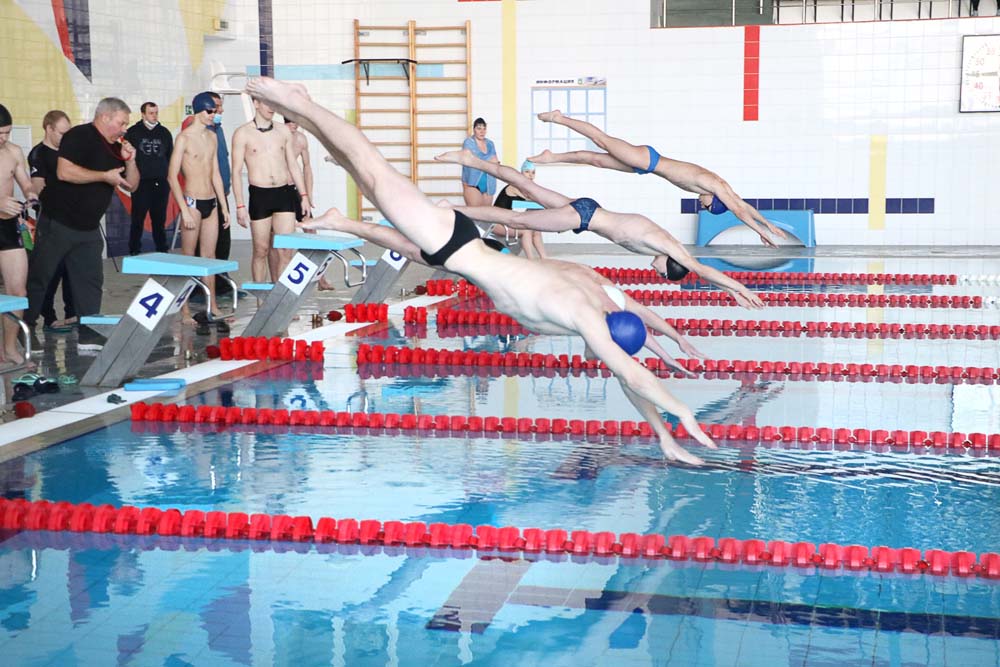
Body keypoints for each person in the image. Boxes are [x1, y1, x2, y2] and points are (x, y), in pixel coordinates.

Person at [246, 77, 716, 464]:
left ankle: (338, 208)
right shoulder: (582, 312)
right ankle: (300, 103)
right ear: (607, 336)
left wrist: (663, 429)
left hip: (463, 245)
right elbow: (634, 376)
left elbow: (633, 353)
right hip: (452, 243)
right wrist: (682, 413)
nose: (601, 359)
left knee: (372, 187)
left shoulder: (600, 292)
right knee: (372, 170)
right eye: (605, 352)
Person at [436, 148, 764, 309]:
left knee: (528, 187)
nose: (657, 274)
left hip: (588, 211)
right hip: (583, 217)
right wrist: (738, 289)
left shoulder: (663, 244)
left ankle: (472, 160)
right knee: (516, 219)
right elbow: (702, 270)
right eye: (664, 274)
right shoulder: (670, 247)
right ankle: (453, 209)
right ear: (672, 262)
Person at [529, 110, 786, 247]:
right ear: (716, 200)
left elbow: (742, 204)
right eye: (707, 206)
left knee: (595, 160)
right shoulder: (714, 185)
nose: (701, 204)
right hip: (647, 160)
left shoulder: (720, 187)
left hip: (645, 167)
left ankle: (552, 157)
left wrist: (765, 224)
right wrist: (762, 231)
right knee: (602, 141)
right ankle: (559, 118)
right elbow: (739, 210)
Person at [25, 97, 140, 352]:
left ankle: (89, 333)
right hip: (58, 221)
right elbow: (64, 172)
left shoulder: (115, 148)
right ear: (105, 117)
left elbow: (131, 185)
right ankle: (26, 328)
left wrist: (130, 160)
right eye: (122, 123)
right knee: (40, 277)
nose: (124, 129)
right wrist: (104, 176)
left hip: (88, 228)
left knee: (90, 282)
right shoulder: (78, 136)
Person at [166, 92, 230, 329]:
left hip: (211, 203)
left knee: (209, 258)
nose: (214, 115)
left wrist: (224, 207)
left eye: (215, 111)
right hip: (192, 203)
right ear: (199, 111)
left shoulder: (212, 137)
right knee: (188, 259)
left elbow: (215, 174)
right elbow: (172, 176)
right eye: (210, 111)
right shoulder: (184, 138)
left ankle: (212, 305)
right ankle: (184, 310)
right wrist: (184, 209)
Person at [230, 97, 310, 282]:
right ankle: (260, 298)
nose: (271, 107)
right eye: (267, 103)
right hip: (260, 195)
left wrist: (304, 195)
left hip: (284, 193)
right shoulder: (243, 133)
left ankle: (281, 297)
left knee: (286, 250)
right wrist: (240, 206)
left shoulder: (283, 131)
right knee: (261, 250)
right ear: (256, 104)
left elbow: (293, 165)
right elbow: (236, 172)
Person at [27, 109, 75, 333]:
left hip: (72, 219)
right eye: (62, 133)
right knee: (49, 271)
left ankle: (72, 313)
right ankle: (48, 316)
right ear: (49, 129)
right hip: (51, 219)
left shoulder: (69, 152)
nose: (65, 138)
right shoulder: (38, 154)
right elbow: (38, 187)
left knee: (71, 269)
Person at [0, 104, 37, 369]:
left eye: (7, 133)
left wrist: (30, 194)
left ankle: (10, 348)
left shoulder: (13, 151)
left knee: (17, 291)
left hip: (8, 225)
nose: (4, 138)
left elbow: (25, 182)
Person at [124, 101, 172, 254]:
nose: (154, 116)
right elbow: (125, 157)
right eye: (151, 113)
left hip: (161, 182)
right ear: (143, 114)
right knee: (138, 219)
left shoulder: (164, 133)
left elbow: (170, 157)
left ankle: (162, 250)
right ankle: (134, 250)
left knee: (159, 219)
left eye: (156, 112)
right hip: (141, 182)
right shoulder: (133, 132)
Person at [492, 159, 547, 260]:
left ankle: (544, 258)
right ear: (521, 173)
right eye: (527, 172)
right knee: (526, 231)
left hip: (506, 221)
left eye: (533, 173)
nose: (530, 175)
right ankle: (531, 260)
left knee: (536, 229)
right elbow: (532, 199)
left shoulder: (525, 188)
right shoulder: (514, 187)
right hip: (496, 224)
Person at [460, 117, 498, 207]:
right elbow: (473, 160)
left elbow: (495, 161)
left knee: (486, 214)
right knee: (475, 213)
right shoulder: (468, 142)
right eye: (479, 128)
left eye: (484, 129)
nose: (482, 131)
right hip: (472, 183)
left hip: (489, 184)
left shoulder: (490, 143)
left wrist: (489, 161)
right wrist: (489, 161)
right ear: (474, 129)